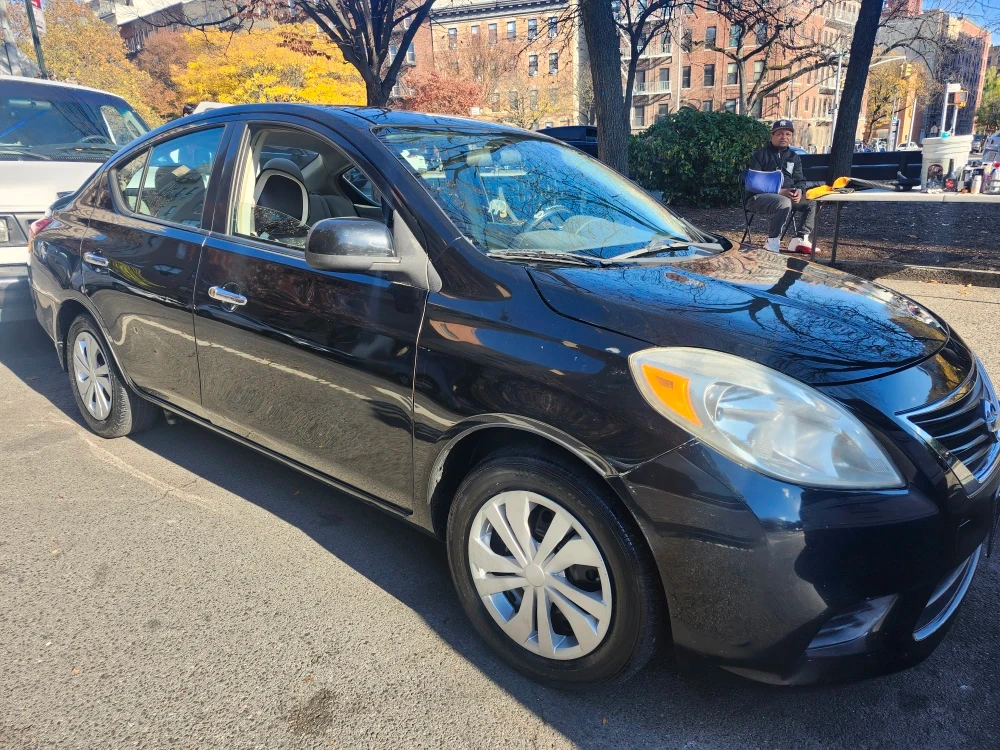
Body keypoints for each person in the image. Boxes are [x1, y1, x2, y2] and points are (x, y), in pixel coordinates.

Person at [746, 120, 818, 254]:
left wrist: (799, 191)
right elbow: (753, 183)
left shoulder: (794, 157)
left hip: (788, 196)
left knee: (812, 201)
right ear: (771, 136)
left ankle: (800, 238)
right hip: (758, 198)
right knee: (783, 202)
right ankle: (772, 241)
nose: (783, 137)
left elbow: (800, 180)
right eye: (779, 134)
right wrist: (779, 191)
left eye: (787, 134)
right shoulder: (760, 155)